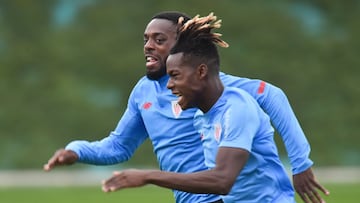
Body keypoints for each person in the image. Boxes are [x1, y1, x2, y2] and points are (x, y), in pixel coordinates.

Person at [44, 11, 329, 203]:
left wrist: (301, 163)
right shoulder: (144, 92)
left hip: (220, 194)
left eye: (159, 40)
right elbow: (119, 146)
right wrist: (77, 150)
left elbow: (273, 96)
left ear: (182, 47)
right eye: (145, 39)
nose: (148, 46)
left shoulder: (218, 89)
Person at [102, 12, 297, 202]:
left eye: (175, 76)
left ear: (200, 71)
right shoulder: (202, 118)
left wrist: (148, 176)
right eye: (145, 40)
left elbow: (221, 181)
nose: (169, 85)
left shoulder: (238, 108)